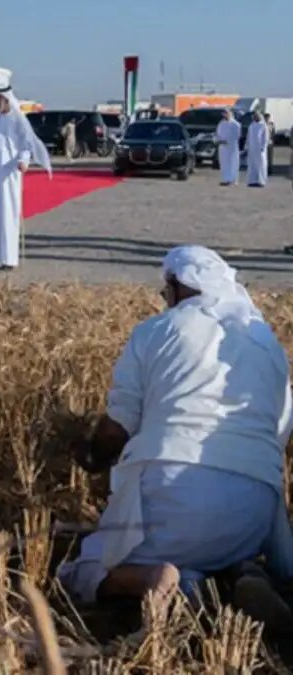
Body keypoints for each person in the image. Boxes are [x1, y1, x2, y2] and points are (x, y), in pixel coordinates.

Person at [58, 246, 293, 626]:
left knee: (82, 570)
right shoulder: (268, 344)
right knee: (213, 548)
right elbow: (278, 433)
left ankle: (154, 578)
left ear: (178, 286)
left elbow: (119, 427)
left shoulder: (157, 330)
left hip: (173, 499)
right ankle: (236, 574)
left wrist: (93, 456)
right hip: (254, 514)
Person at [0, 84, 50, 270]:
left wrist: (23, 161)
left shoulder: (17, 120)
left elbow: (26, 145)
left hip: (8, 175)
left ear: (7, 99)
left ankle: (8, 259)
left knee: (8, 213)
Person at [215, 109, 242, 187]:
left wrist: (227, 141)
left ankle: (233, 180)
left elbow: (237, 136)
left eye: (226, 113)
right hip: (223, 147)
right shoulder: (221, 123)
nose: (225, 115)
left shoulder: (236, 124)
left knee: (233, 163)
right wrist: (219, 141)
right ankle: (226, 180)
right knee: (224, 163)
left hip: (232, 147)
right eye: (224, 114)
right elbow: (218, 134)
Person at [245, 110, 269, 188]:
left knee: (261, 165)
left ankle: (261, 181)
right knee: (252, 165)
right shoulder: (251, 125)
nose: (256, 117)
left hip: (260, 149)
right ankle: (252, 181)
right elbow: (248, 137)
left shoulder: (263, 125)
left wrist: (263, 147)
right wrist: (247, 146)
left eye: (257, 115)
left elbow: (265, 138)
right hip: (252, 149)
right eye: (255, 116)